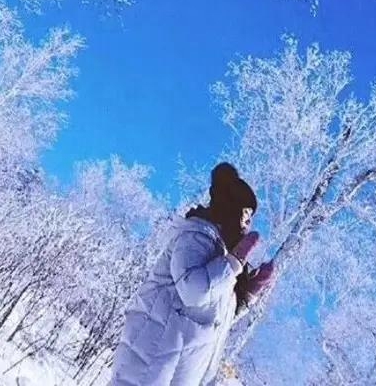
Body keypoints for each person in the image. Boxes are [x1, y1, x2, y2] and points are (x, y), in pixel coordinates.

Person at [110, 162, 277, 386]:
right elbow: (194, 291)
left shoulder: (220, 258)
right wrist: (234, 262)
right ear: (230, 208)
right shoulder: (197, 236)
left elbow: (208, 316)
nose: (247, 224)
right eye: (246, 214)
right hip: (145, 369)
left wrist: (245, 298)